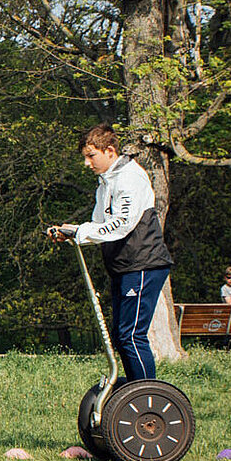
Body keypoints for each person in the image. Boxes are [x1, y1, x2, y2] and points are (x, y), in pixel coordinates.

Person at [47, 124, 174, 382]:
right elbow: (99, 225)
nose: (86, 163)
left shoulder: (129, 178)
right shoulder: (106, 182)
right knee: (121, 335)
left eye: (91, 155)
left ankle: (147, 394)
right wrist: (71, 231)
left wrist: (81, 232)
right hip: (124, 265)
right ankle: (134, 392)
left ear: (110, 151)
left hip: (143, 264)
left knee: (131, 335)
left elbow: (122, 224)